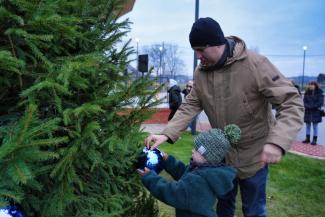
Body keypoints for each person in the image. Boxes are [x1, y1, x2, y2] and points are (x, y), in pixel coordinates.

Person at [144, 17, 304, 217]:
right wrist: (166, 134)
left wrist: (277, 142)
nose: (198, 56)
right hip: (220, 160)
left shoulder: (256, 64)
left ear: (216, 44)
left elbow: (292, 102)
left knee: (254, 210)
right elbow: (191, 104)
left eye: (201, 50)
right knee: (224, 209)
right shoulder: (201, 72)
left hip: (255, 157)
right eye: (195, 50)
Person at [138, 125, 240, 217]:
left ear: (207, 157)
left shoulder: (199, 180)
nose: (192, 150)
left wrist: (150, 177)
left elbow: (172, 193)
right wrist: (168, 160)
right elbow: (184, 174)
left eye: (196, 150)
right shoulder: (206, 171)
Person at [302, 81, 324, 145]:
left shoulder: (320, 92)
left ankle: (314, 140)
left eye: (312, 84)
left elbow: (320, 102)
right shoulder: (306, 93)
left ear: (315, 85)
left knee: (315, 126)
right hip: (308, 111)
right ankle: (307, 139)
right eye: (309, 84)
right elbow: (304, 102)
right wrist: (309, 106)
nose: (310, 86)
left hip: (316, 112)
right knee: (307, 126)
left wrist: (312, 106)